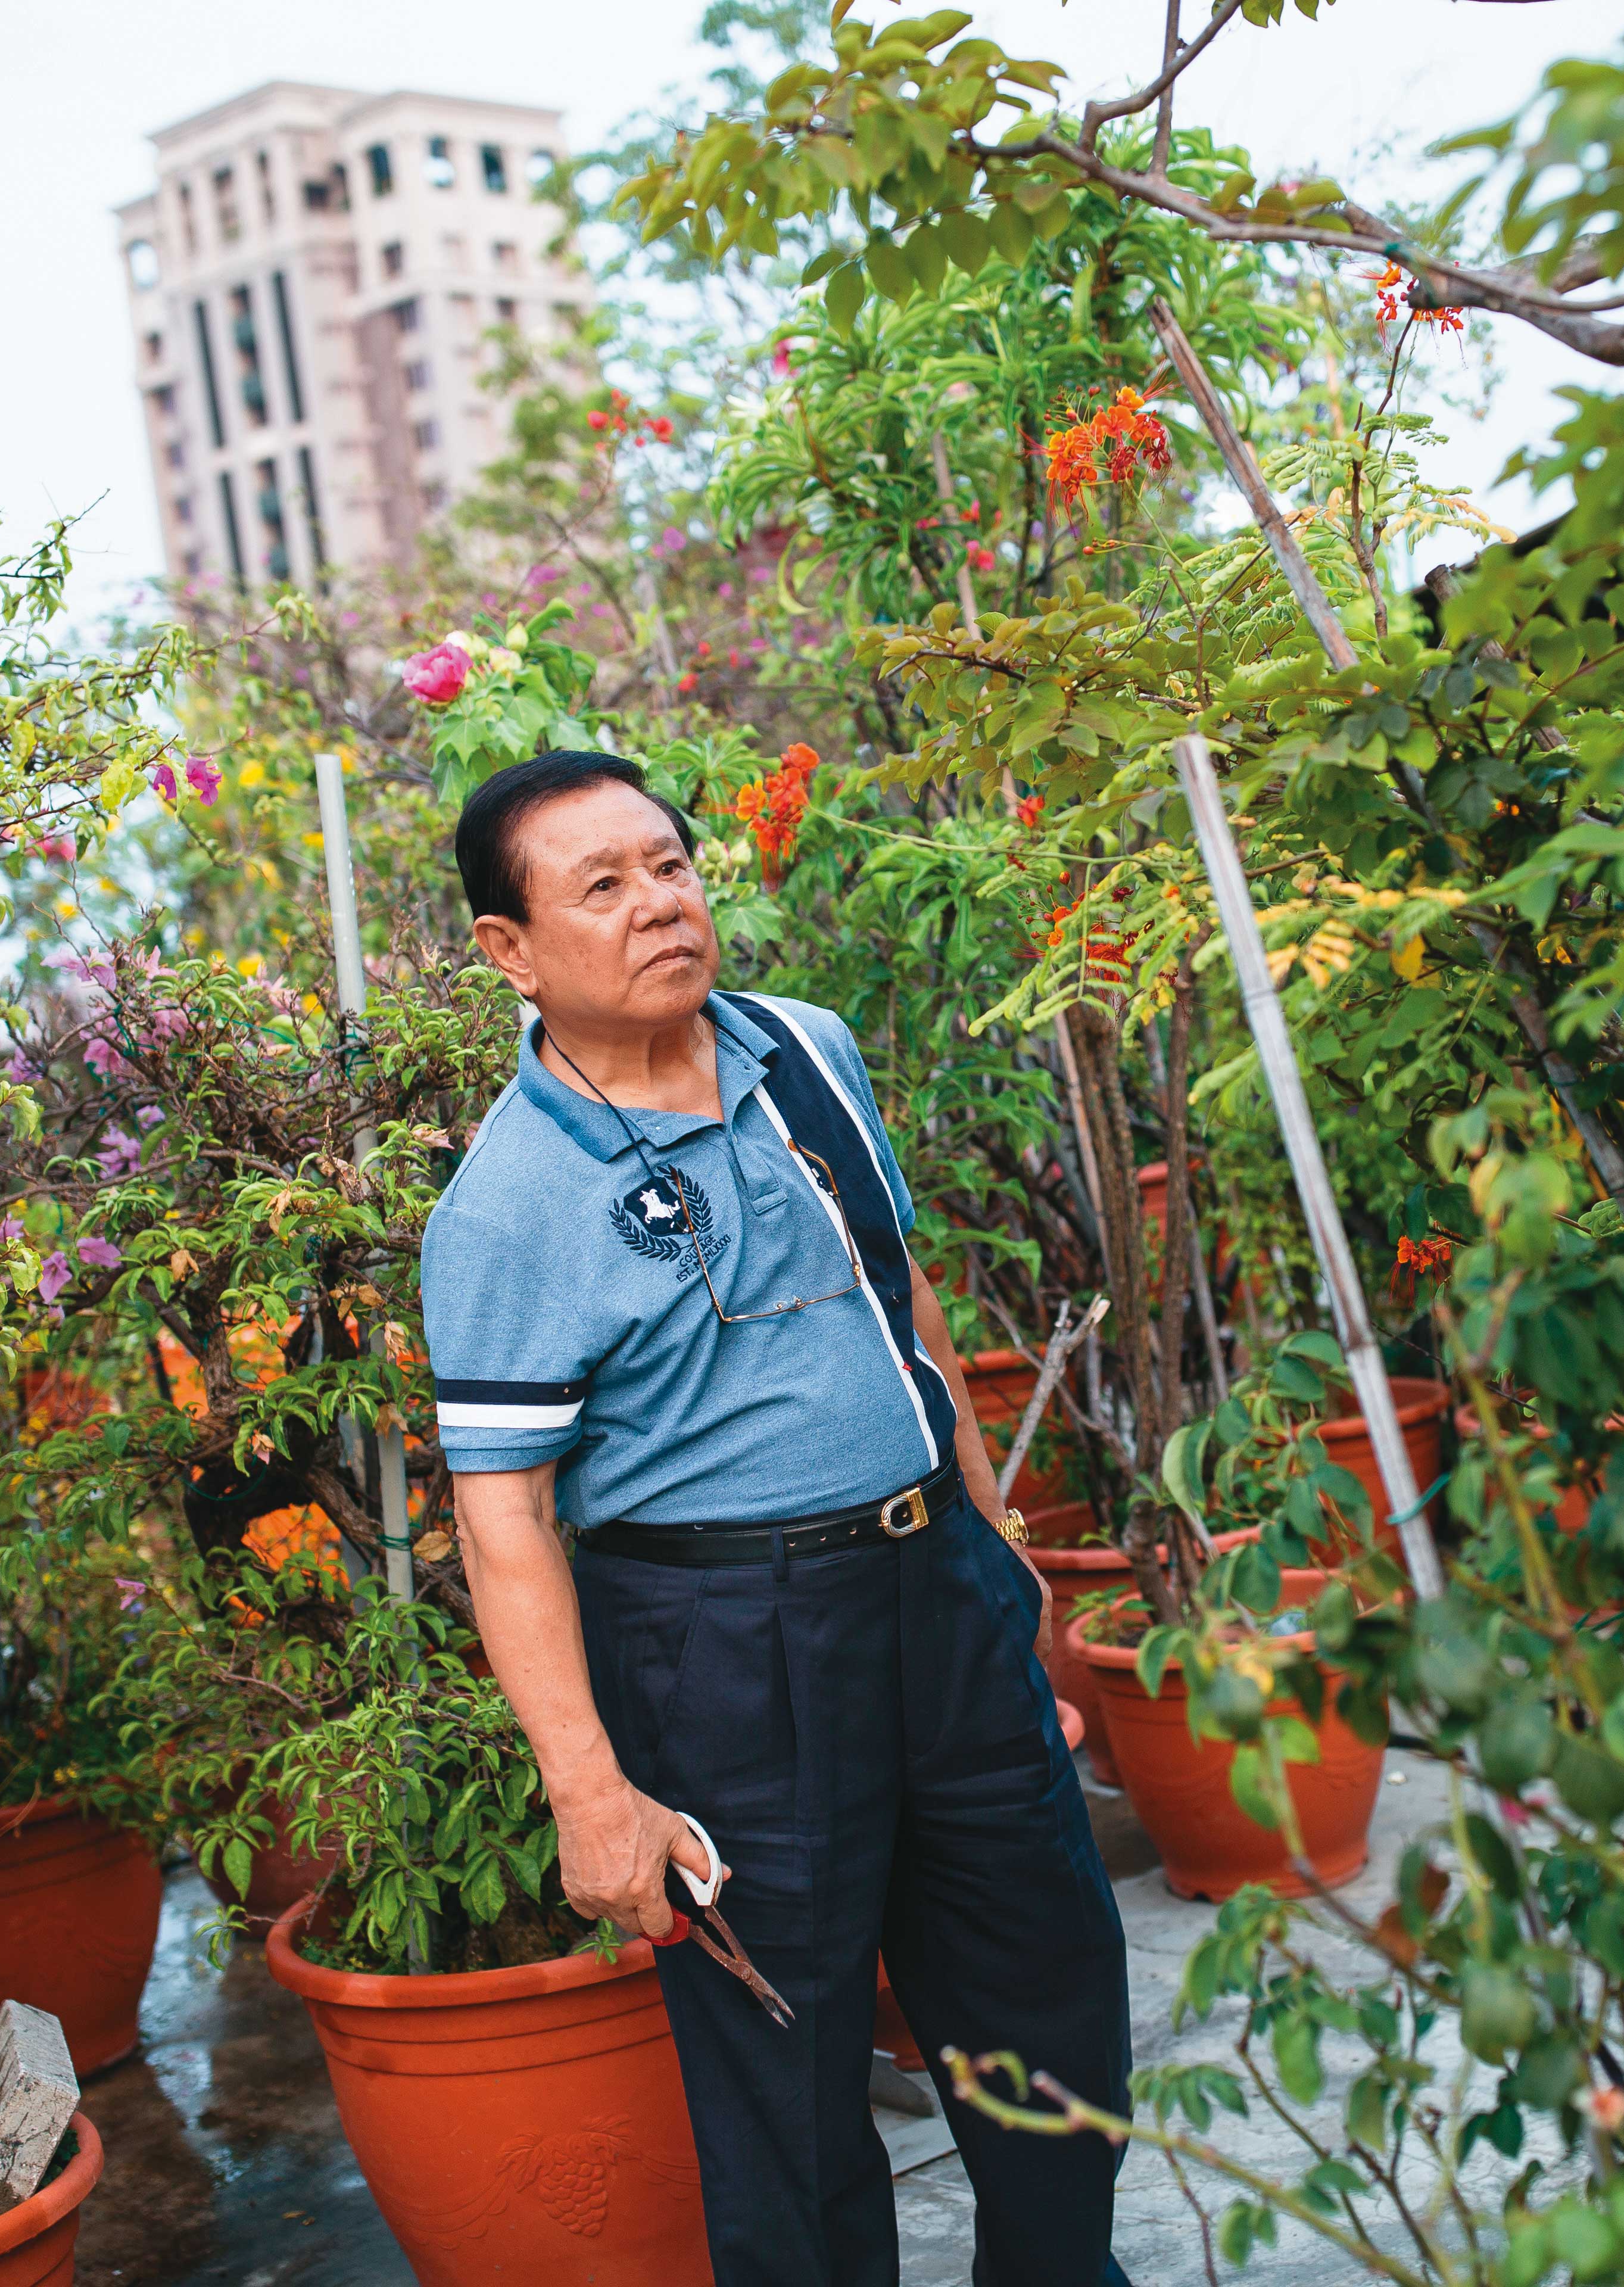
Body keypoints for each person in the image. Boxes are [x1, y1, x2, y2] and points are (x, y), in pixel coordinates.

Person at [419, 748, 1134, 2287]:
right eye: (600, 886)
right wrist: (589, 1793)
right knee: (788, 2095)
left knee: (1049, 1986)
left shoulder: (805, 1051)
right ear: (511, 952)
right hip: (728, 1651)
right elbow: (504, 1522)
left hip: (936, 1586)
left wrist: (994, 1542)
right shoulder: (508, 1203)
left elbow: (905, 1298)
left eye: (668, 864)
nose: (658, 903)